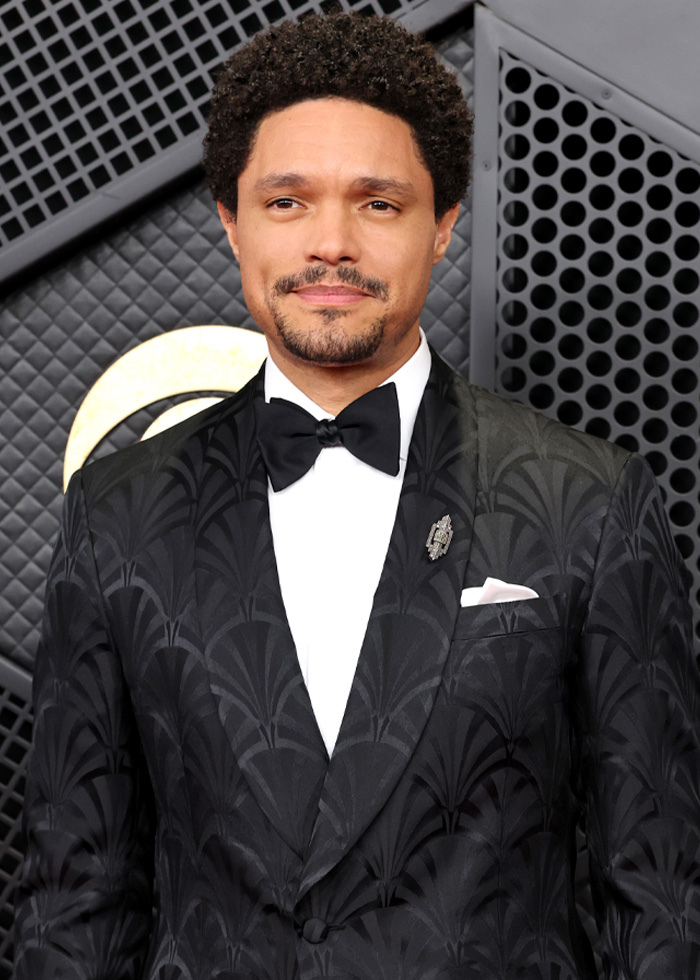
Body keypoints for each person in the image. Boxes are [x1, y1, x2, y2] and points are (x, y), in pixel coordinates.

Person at [13, 11, 699, 980]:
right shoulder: (119, 511)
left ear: (443, 223)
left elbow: (660, 898)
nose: (330, 243)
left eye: (377, 204)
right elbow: (74, 903)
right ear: (230, 220)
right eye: (288, 201)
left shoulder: (587, 499)